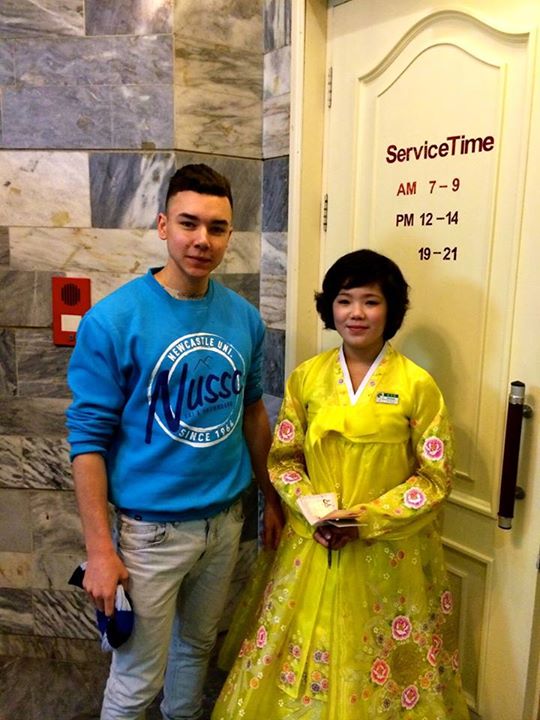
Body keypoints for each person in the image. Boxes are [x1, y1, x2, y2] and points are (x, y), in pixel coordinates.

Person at [66, 163, 284, 720]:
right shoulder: (113, 320)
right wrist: (98, 551)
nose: (202, 240)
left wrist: (270, 499)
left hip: (225, 521)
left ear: (230, 235)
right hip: (150, 533)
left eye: (217, 228)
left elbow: (253, 410)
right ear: (163, 225)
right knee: (137, 678)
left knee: (197, 652)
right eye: (189, 223)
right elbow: (87, 441)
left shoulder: (244, 319)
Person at [212, 249, 470, 719]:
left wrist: (366, 519)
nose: (356, 313)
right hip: (313, 541)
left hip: (388, 553)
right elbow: (284, 459)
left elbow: (436, 478)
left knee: (382, 664)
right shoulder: (306, 379)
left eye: (370, 301)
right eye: (344, 300)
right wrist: (314, 510)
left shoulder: (417, 386)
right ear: (329, 307)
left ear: (390, 310)